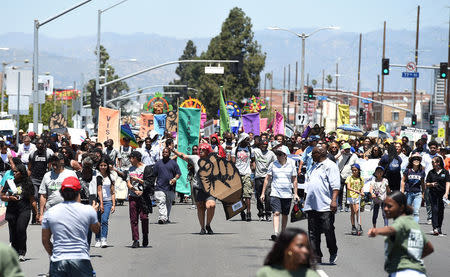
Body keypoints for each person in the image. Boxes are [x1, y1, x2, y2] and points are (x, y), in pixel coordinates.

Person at [41, 176, 100, 277]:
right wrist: (94, 214)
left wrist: (54, 254)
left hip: (58, 261)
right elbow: (97, 230)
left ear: (61, 192)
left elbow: (45, 240)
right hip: (81, 260)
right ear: (78, 191)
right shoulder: (88, 210)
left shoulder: (50, 212)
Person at [368, 191, 434, 277]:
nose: (385, 209)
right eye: (385, 205)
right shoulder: (413, 224)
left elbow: (392, 230)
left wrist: (377, 231)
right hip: (419, 273)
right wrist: (413, 261)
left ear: (401, 208)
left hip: (402, 273)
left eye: (390, 206)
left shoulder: (401, 221)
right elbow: (429, 248)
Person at [303, 146, 340, 264]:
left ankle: (333, 251)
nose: (311, 156)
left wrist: (333, 201)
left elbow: (335, 186)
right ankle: (316, 255)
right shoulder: (314, 166)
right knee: (313, 232)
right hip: (312, 205)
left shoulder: (330, 166)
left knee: (328, 229)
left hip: (326, 205)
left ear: (320, 153)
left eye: (313, 153)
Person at [172, 144, 216, 234]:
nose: (200, 151)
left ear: (207, 151)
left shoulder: (213, 160)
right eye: (200, 149)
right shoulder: (196, 158)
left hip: (210, 188)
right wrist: (173, 150)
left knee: (211, 205)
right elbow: (183, 156)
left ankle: (208, 225)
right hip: (198, 188)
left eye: (203, 150)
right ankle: (202, 228)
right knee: (200, 207)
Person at [0, 163, 38, 262]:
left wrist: (37, 213)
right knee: (13, 232)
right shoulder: (9, 182)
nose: (14, 173)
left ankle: (21, 252)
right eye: (14, 171)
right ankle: (14, 251)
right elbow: (2, 196)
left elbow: (32, 199)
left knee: (21, 229)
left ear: (21, 173)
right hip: (12, 211)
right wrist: (9, 198)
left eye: (16, 172)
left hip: (24, 210)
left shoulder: (28, 184)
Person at [261, 148, 299, 241]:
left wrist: (296, 194)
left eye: (280, 154)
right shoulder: (273, 164)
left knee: (285, 214)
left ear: (285, 155)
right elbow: (267, 179)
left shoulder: (291, 165)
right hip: (275, 192)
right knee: (276, 212)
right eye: (277, 154)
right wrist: (263, 193)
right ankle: (276, 233)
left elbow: (294, 180)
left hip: (287, 194)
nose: (278, 156)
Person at [38, 153, 77, 223]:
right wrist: (41, 214)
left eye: (56, 160)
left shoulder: (71, 174)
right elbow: (43, 195)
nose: (53, 163)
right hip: (51, 211)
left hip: (67, 211)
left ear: (62, 161)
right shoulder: (47, 175)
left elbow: (77, 194)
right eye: (52, 160)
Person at [127, 151, 149, 248]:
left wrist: (138, 180)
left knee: (144, 218)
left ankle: (145, 235)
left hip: (143, 197)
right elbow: (128, 183)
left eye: (131, 158)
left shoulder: (146, 168)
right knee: (133, 219)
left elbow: (149, 182)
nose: (130, 160)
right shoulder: (130, 169)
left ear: (136, 158)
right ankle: (136, 239)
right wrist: (133, 190)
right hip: (133, 196)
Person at [153, 147, 181, 224]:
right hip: (159, 187)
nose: (164, 153)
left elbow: (178, 173)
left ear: (169, 154)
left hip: (170, 188)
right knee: (161, 202)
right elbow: (154, 175)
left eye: (166, 152)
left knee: (168, 203)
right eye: (163, 152)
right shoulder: (158, 163)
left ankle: (166, 217)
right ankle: (162, 218)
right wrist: (152, 185)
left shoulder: (173, 163)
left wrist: (174, 179)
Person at [231, 132, 255, 221]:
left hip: (247, 174)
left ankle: (248, 213)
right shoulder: (235, 149)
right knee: (239, 196)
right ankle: (242, 212)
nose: (248, 140)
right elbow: (233, 162)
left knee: (247, 195)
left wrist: (253, 169)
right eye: (247, 139)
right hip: (238, 175)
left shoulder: (250, 149)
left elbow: (253, 160)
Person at [94, 157, 116, 248]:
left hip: (108, 201)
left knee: (104, 220)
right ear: (99, 166)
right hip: (98, 201)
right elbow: (99, 190)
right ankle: (98, 239)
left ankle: (104, 239)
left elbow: (112, 192)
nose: (103, 167)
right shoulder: (97, 176)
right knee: (97, 221)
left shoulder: (111, 177)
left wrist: (114, 204)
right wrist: (101, 203)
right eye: (101, 165)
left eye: (105, 165)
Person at [425, 156, 450, 235]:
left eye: (434, 162)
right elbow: (426, 183)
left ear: (438, 163)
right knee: (434, 210)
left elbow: (448, 182)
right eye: (432, 162)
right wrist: (431, 184)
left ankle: (439, 227)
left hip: (442, 195)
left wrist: (446, 193)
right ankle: (435, 228)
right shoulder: (431, 172)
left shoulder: (445, 172)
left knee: (440, 211)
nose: (432, 164)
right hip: (433, 194)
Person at [254, 140, 276, 221]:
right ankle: (261, 213)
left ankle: (268, 213)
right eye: (263, 145)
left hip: (267, 177)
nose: (264, 146)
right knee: (259, 195)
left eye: (266, 145)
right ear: (260, 145)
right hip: (258, 177)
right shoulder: (256, 151)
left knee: (268, 196)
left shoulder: (271, 153)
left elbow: (276, 162)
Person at [401, 154, 425, 223]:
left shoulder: (422, 172)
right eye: (414, 159)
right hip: (408, 193)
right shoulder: (408, 170)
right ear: (411, 161)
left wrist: (423, 193)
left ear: (420, 161)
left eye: (418, 159)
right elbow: (403, 181)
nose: (416, 161)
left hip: (418, 194)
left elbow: (423, 184)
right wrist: (402, 191)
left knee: (416, 212)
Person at [337, 143, 358, 212]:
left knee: (349, 191)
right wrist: (340, 153)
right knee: (340, 190)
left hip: (349, 175)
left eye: (348, 149)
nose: (347, 150)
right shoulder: (340, 155)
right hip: (341, 174)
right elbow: (334, 160)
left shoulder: (354, 156)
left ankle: (347, 205)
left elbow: (357, 164)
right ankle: (339, 205)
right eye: (346, 149)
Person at [345, 164, 365, 235]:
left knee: (357, 211)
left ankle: (359, 226)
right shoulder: (349, 178)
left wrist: (362, 192)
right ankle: (353, 226)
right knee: (353, 212)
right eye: (353, 170)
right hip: (351, 196)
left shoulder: (361, 178)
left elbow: (362, 187)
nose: (354, 172)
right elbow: (348, 187)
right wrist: (356, 191)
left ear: (358, 170)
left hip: (358, 197)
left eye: (355, 170)